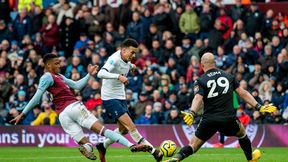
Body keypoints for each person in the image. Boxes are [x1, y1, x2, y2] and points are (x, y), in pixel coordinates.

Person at [10, 53, 150, 161]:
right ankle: (131, 145)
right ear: (47, 65)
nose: (59, 65)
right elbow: (36, 98)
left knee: (86, 143)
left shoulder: (59, 76)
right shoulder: (47, 77)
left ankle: (87, 147)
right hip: (74, 107)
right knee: (103, 131)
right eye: (56, 63)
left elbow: (77, 86)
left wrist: (89, 74)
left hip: (63, 115)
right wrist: (23, 114)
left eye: (59, 62)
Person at [164, 52, 277, 162]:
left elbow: (198, 98)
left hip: (209, 120)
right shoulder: (228, 76)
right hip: (228, 119)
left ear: (202, 65)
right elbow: (243, 93)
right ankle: (250, 159)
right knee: (242, 133)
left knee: (193, 145)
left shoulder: (200, 80)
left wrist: (192, 112)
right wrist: (259, 107)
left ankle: (176, 158)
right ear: (215, 63)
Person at [97, 38, 163, 162]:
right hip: (110, 97)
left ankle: (103, 145)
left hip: (121, 96)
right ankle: (154, 151)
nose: (133, 55)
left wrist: (131, 66)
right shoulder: (114, 59)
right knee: (131, 126)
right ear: (123, 50)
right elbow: (101, 73)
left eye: (135, 53)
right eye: (132, 52)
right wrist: (118, 76)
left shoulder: (126, 60)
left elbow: (126, 64)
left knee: (123, 130)